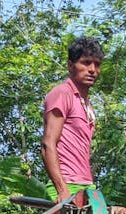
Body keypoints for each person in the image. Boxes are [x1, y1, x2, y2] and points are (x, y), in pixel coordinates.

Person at [42, 36, 102, 204]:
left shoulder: (86, 104)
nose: (92, 69)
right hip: (67, 184)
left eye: (97, 64)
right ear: (70, 65)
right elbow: (48, 144)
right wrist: (62, 191)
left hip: (86, 185)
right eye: (86, 63)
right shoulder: (62, 94)